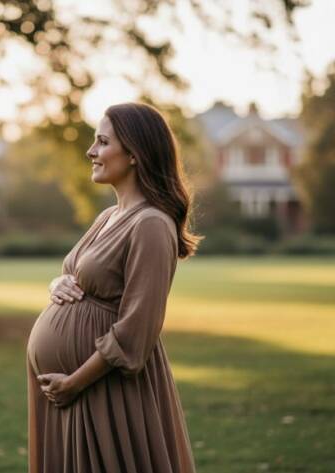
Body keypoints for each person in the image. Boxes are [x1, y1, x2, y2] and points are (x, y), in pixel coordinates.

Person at [26, 102, 202, 472]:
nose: (91, 152)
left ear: (134, 154)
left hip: (105, 392)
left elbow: (137, 332)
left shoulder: (150, 224)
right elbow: (79, 275)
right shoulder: (109, 216)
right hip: (73, 393)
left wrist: (74, 382)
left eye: (102, 142)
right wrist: (57, 283)